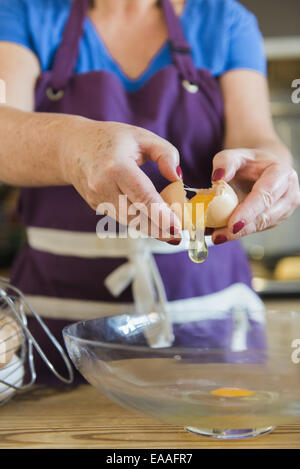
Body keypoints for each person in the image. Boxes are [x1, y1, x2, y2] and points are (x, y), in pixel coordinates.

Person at [0, 0, 299, 384]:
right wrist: (69, 145)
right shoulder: (23, 12)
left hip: (210, 325)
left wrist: (272, 167)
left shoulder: (225, 21)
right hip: (52, 335)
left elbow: (257, 137)